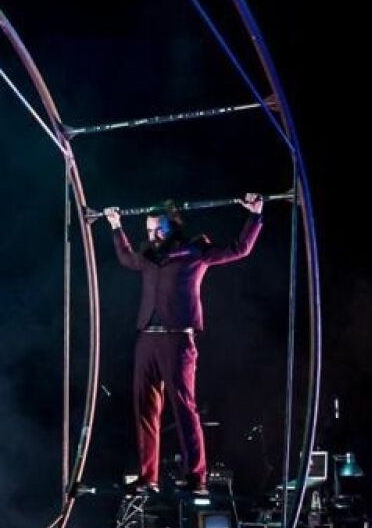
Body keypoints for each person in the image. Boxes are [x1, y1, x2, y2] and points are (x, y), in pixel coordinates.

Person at [103, 193, 264, 494]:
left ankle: (196, 476)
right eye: (149, 230)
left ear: (173, 226)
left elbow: (239, 248)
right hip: (147, 338)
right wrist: (116, 226)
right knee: (144, 407)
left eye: (159, 229)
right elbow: (126, 258)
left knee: (183, 406)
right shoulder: (148, 256)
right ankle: (148, 477)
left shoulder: (195, 251)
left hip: (177, 337)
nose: (154, 235)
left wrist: (255, 216)